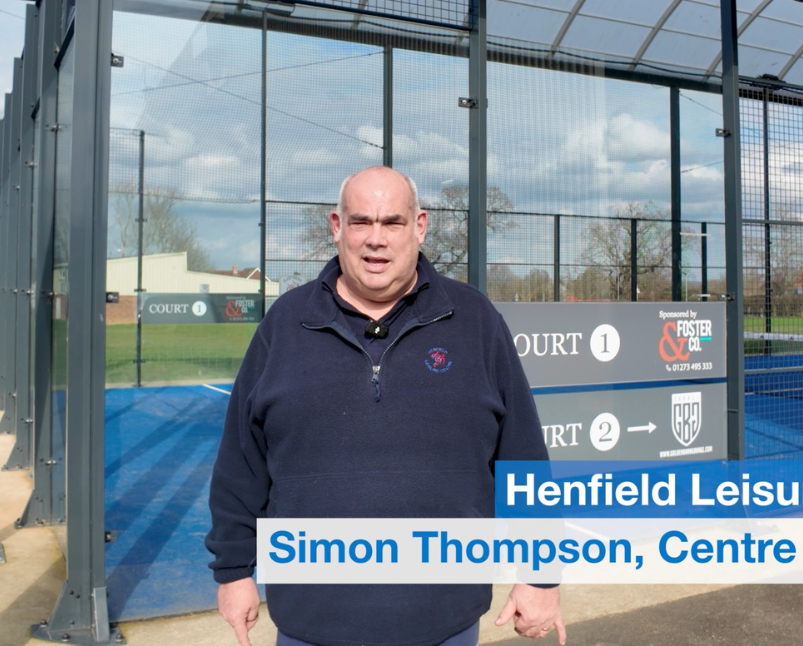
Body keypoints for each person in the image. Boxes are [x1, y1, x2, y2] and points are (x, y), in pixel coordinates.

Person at [206, 166, 566, 646]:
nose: (376, 239)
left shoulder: (475, 320)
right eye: (361, 222)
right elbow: (241, 461)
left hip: (445, 622)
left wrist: (539, 575)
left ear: (419, 227)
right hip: (311, 625)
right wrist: (233, 570)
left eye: (392, 222)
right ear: (337, 227)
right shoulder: (285, 324)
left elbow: (523, 457)